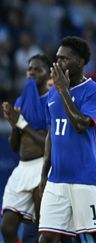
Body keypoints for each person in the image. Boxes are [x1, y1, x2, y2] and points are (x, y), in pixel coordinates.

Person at [38, 36, 96, 243]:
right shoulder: (53, 92)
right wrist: (44, 174)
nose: (58, 63)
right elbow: (51, 133)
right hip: (56, 179)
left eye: (64, 59)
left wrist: (63, 91)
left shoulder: (94, 90)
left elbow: (80, 124)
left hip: (86, 178)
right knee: (46, 238)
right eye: (57, 58)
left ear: (80, 62)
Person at [1, 54, 50, 243]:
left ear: (48, 74)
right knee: (7, 228)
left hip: (42, 167)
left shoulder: (52, 101)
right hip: (22, 168)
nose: (33, 72)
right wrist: (14, 125)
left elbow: (48, 144)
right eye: (30, 68)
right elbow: (14, 146)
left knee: (43, 229)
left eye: (38, 69)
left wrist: (21, 123)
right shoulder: (21, 100)